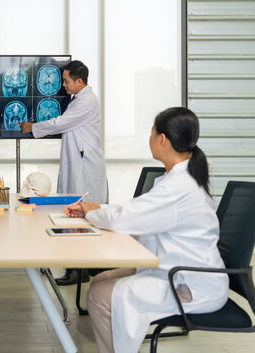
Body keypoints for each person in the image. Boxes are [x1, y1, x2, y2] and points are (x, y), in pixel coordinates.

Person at [64, 107, 229, 353]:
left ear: (162, 139)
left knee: (98, 295)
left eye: (151, 133)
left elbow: (128, 217)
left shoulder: (177, 188)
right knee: (100, 280)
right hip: (177, 268)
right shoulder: (181, 180)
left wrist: (91, 212)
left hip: (188, 283)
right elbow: (137, 210)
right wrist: (96, 209)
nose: (149, 138)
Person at [20, 60, 108, 285]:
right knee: (74, 211)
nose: (64, 86)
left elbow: (61, 122)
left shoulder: (86, 101)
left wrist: (33, 127)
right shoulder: (79, 99)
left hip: (84, 165)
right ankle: (78, 267)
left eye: (67, 81)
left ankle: (79, 269)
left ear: (80, 81)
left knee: (79, 213)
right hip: (78, 160)